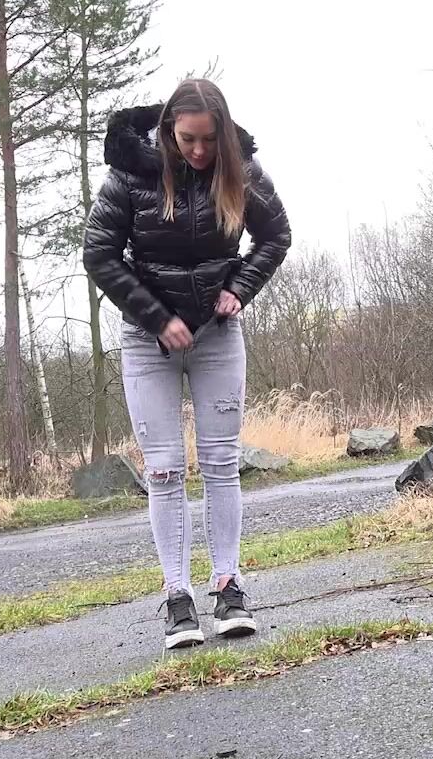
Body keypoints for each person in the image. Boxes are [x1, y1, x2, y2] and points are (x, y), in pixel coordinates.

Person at [82, 78, 292, 649]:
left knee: (222, 463)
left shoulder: (241, 172)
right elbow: (99, 255)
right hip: (147, 339)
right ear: (169, 131)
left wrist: (240, 289)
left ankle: (228, 587)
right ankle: (178, 597)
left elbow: (275, 236)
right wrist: (156, 317)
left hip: (216, 335)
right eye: (188, 139)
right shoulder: (130, 174)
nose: (199, 151)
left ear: (223, 132)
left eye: (209, 140)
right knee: (165, 469)